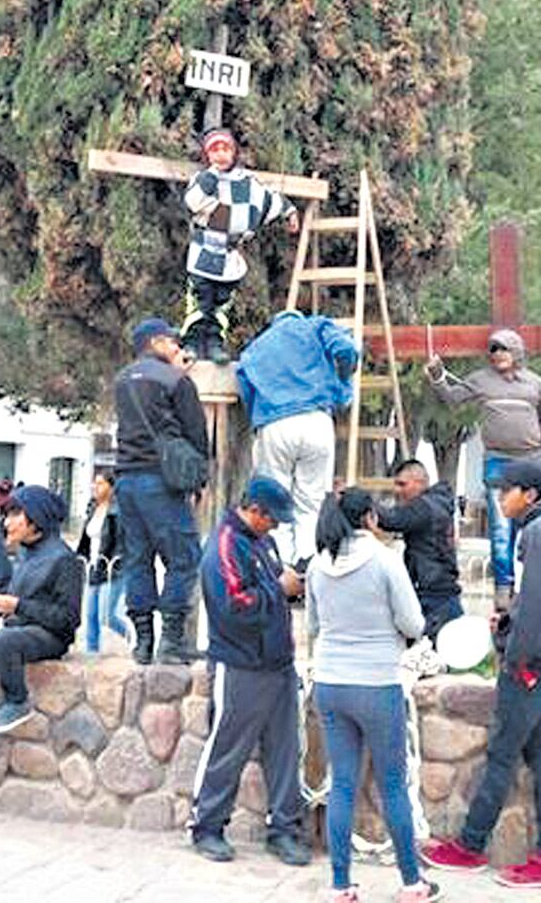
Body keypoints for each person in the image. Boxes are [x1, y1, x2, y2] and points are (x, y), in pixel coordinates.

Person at [423, 460, 541, 889]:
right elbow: (534, 604)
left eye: (506, 491)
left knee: (501, 753)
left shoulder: (537, 533)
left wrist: (513, 653)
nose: (500, 498)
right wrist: (508, 622)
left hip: (530, 665)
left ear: (529, 494)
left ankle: (471, 846)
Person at [306, 488, 441, 903]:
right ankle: (412, 883)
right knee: (393, 785)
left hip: (329, 683)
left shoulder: (317, 564)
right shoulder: (385, 560)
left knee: (342, 784)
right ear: (369, 517)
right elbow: (414, 622)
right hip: (376, 684)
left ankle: (341, 886)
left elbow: (313, 626)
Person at [189, 475, 311, 868]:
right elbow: (235, 605)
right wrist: (281, 589)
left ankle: (284, 829)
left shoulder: (263, 542)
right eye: (272, 519)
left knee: (285, 750)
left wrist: (290, 586)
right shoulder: (224, 545)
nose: (275, 526)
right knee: (226, 748)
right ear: (254, 510)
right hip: (241, 665)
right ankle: (206, 826)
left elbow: (271, 592)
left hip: (277, 664)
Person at [425, 328, 541, 610]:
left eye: (504, 348)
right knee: (500, 528)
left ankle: (535, 585)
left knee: (535, 525)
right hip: (498, 463)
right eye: (494, 349)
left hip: (531, 462)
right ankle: (503, 590)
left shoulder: (536, 384)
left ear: (517, 351)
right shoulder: (481, 380)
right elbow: (452, 397)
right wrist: (437, 376)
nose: (498, 354)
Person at [115, 316, 209, 666]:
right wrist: (199, 478)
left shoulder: (121, 380)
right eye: (171, 341)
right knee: (183, 558)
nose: (177, 347)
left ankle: (142, 642)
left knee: (138, 559)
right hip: (162, 481)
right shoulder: (175, 381)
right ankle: (171, 640)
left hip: (126, 480)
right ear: (154, 342)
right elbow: (196, 433)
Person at [237, 310, 359, 566]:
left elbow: (245, 388)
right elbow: (347, 349)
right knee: (312, 500)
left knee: (275, 498)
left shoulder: (257, 347)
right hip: (317, 420)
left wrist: (257, 420)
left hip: (275, 423)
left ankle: (281, 566)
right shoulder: (316, 327)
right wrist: (343, 384)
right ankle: (308, 562)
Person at [182, 127, 300, 363]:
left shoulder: (248, 183)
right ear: (207, 155)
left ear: (234, 152)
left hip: (231, 255)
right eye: (215, 150)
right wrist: (212, 174)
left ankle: (216, 343)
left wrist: (290, 211)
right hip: (205, 250)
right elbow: (192, 202)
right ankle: (191, 344)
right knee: (199, 300)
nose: (221, 155)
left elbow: (270, 200)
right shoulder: (203, 180)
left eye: (226, 149)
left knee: (222, 303)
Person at [0, 485, 83, 734]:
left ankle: (17, 701)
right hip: (19, 628)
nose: (8, 523)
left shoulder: (64, 559)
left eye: (15, 515)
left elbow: (68, 619)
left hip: (50, 636)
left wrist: (19, 605)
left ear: (36, 518)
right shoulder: (24, 554)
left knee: (4, 642)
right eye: (7, 515)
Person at [378, 460, 463, 645]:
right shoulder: (437, 503)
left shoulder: (424, 507)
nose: (397, 491)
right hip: (440, 592)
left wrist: (361, 503)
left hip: (434, 597)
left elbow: (393, 520)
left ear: (420, 482)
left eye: (402, 484)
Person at [77, 470, 126, 653]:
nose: (95, 487)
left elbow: (121, 542)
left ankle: (134, 637)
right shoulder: (92, 507)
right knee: (90, 616)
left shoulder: (117, 511)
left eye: (100, 483)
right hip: (93, 567)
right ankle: (92, 653)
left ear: (111, 487)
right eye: (94, 483)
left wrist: (115, 565)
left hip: (112, 567)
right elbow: (86, 539)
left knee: (108, 616)